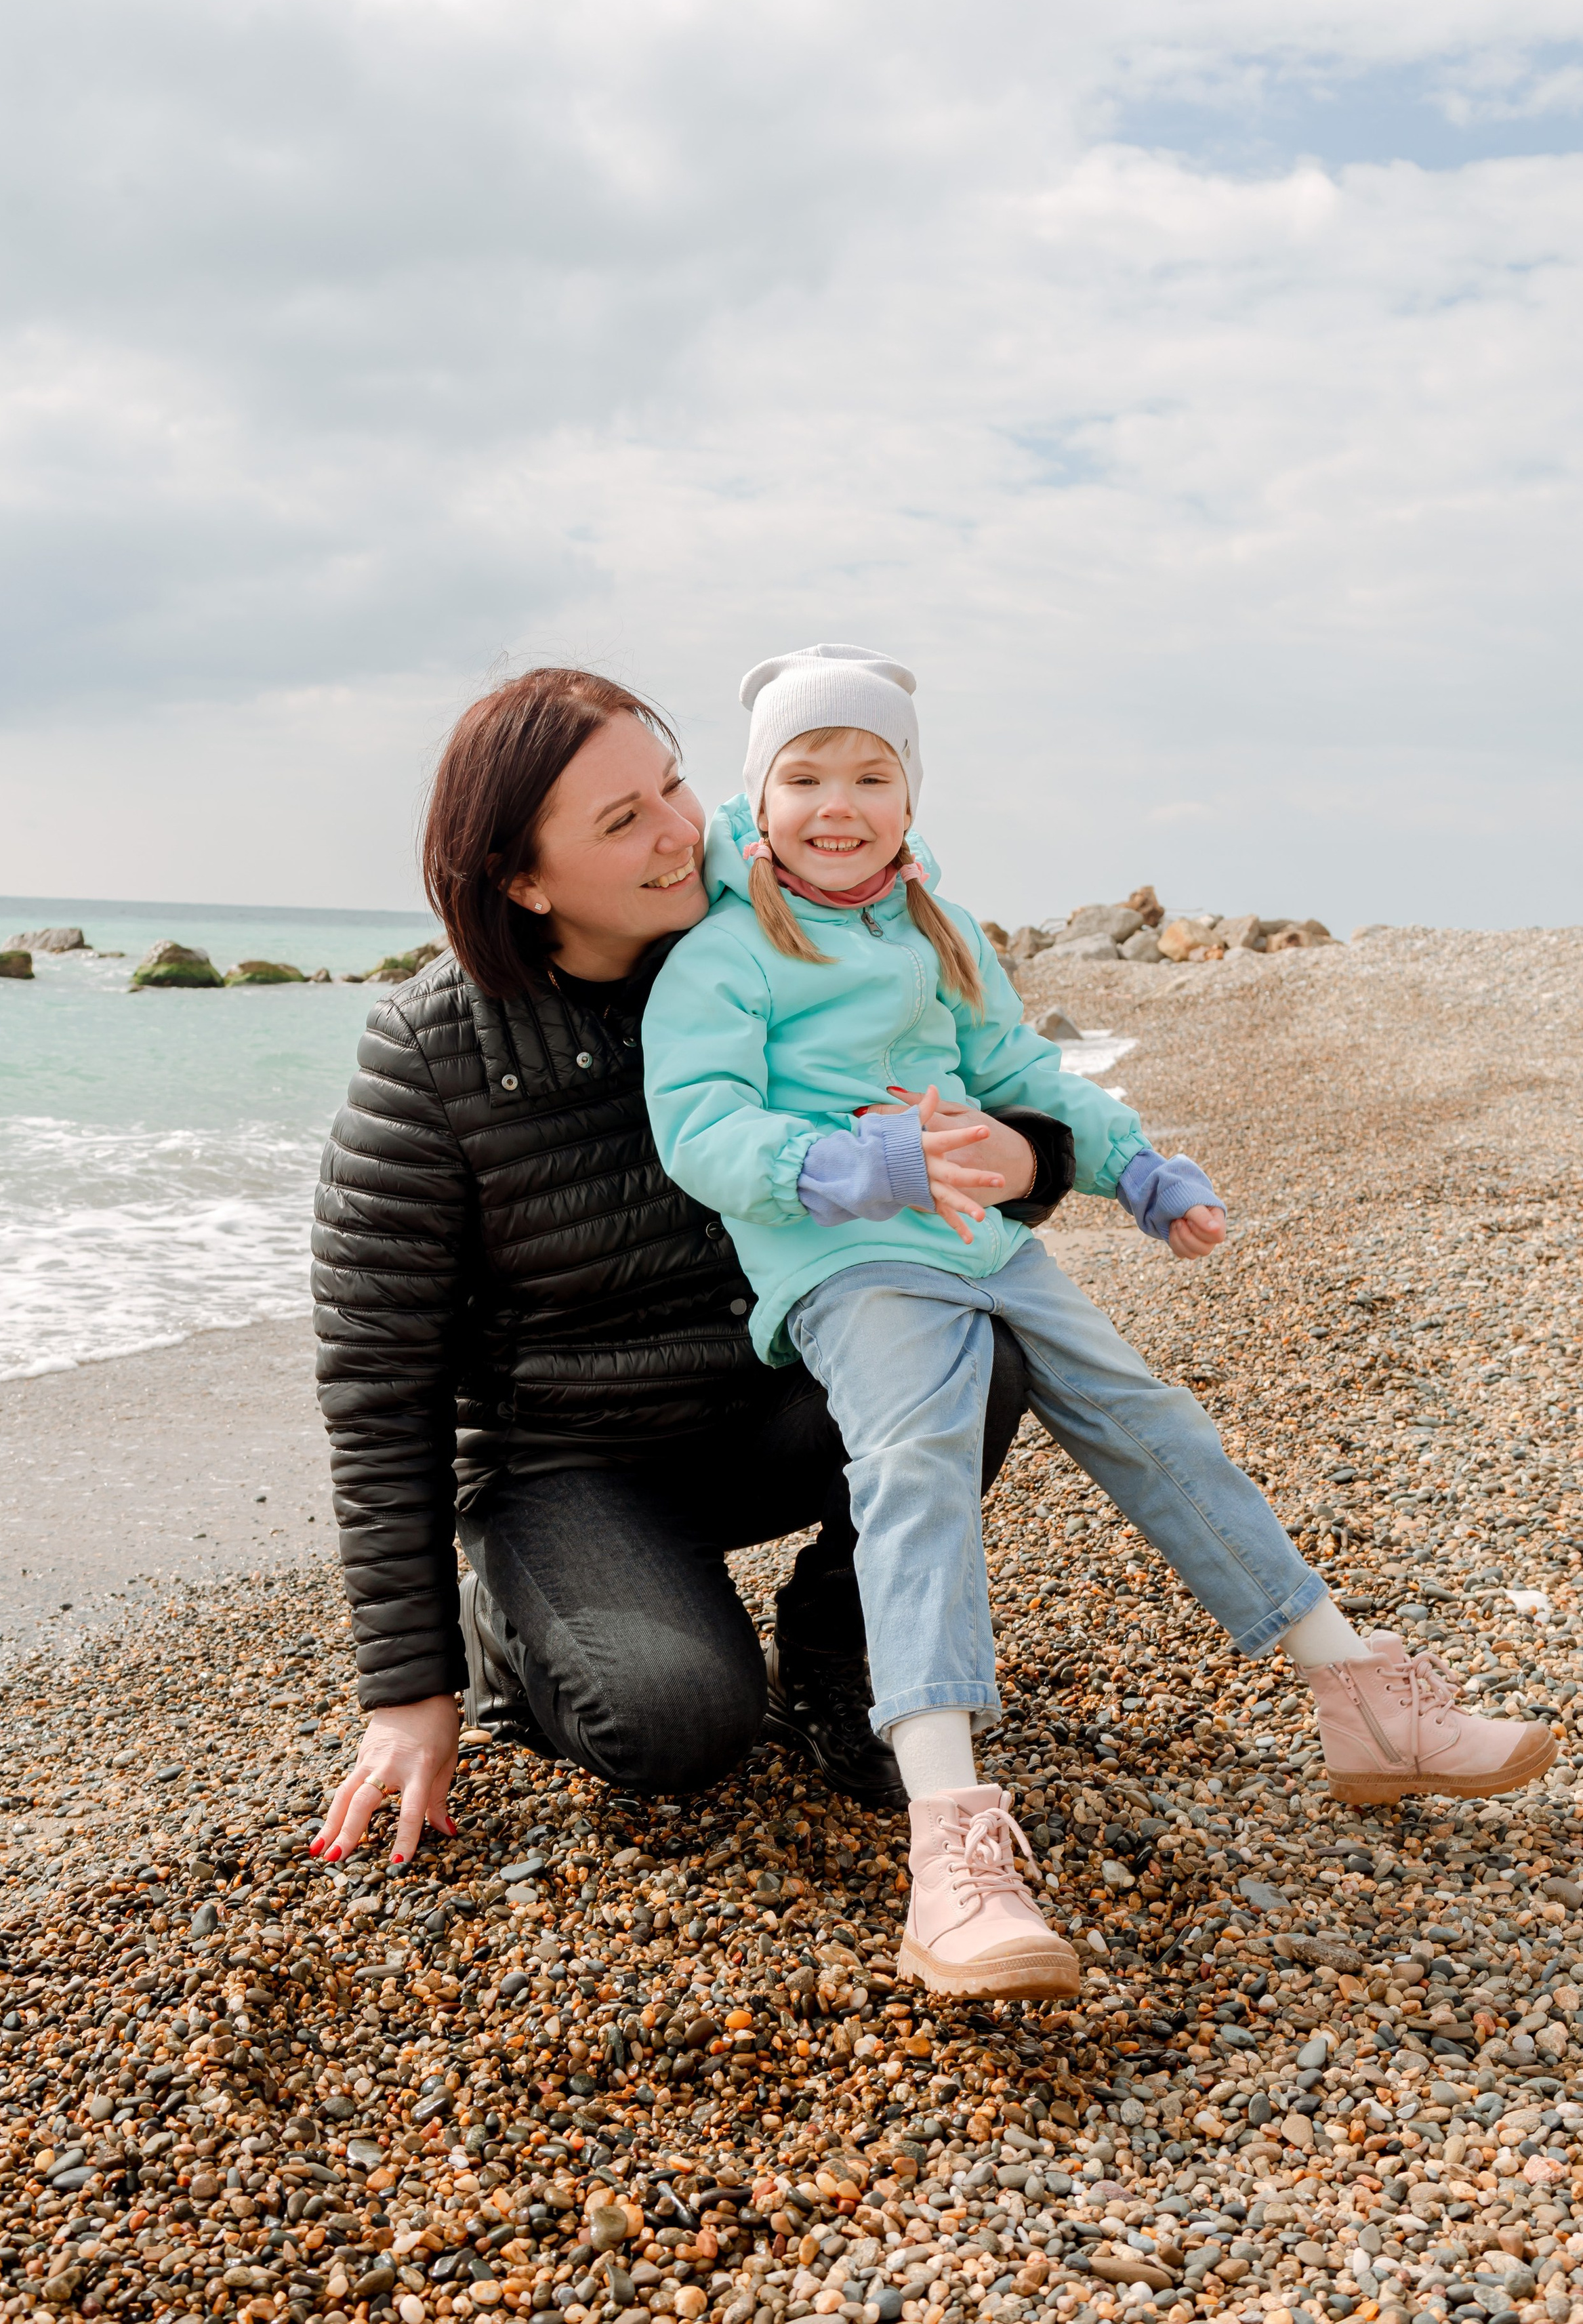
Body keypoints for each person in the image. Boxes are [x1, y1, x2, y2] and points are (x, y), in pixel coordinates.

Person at [642, 642, 1555, 2001]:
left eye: (870, 774)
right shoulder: (726, 953)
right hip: (853, 1267)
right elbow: (697, 1124)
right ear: (757, 796)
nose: (838, 802)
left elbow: (1016, 1071)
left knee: (1150, 1421)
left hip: (983, 1243)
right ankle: (948, 1844)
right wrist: (840, 1168)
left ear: (908, 793)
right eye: (806, 774)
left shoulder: (932, 932)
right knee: (915, 1474)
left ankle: (1358, 1695)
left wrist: (1136, 1168)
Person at [309, 666, 1058, 1874]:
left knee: (974, 1346)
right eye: (623, 821)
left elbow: (973, 1080)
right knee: (679, 1730)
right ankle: (515, 1628)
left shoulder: (753, 939)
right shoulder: (426, 1054)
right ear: (522, 878)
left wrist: (1032, 1156)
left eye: (672, 786)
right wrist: (408, 1692)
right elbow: (377, 1381)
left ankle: (840, 1653)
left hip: (761, 1406)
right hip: (569, 1463)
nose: (682, 831)